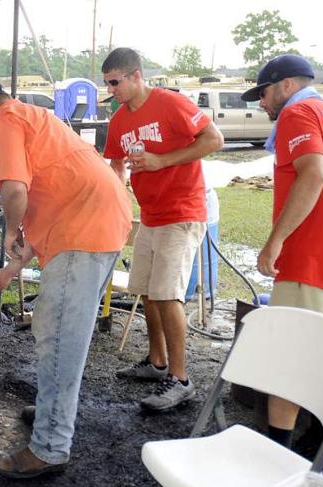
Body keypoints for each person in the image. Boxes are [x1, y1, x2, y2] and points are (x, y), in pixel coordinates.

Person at [0, 79, 132, 478]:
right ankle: (53, 411)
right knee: (60, 334)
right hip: (94, 223)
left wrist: (8, 233)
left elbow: (15, 190)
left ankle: (51, 446)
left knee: (58, 339)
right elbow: (47, 201)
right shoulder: (32, 119)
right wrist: (12, 267)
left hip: (83, 231)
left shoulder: (6, 117)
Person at [241, 54, 323, 473]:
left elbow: (314, 173)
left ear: (286, 86)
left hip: (311, 260)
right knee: (321, 362)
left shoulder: (299, 113)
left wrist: (274, 242)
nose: (262, 103)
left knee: (288, 366)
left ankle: (278, 461)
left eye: (263, 92)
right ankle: (315, 452)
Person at [101, 47, 224, 412]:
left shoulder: (172, 103)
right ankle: (157, 363)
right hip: (150, 215)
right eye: (107, 84)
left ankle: (181, 379)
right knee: (149, 294)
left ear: (136, 76)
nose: (111, 90)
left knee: (168, 295)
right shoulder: (119, 119)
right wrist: (117, 196)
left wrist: (161, 161)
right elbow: (116, 164)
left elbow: (214, 140)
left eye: (115, 82)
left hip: (182, 212)